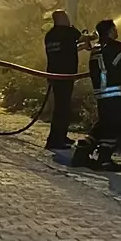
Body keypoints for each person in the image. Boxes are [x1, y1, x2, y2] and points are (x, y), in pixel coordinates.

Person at [71, 19, 121, 172]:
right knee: (114, 127)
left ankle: (82, 152)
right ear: (110, 31)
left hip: (103, 94)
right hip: (116, 93)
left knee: (103, 125)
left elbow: (111, 66)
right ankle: (104, 160)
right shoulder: (114, 46)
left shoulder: (96, 49)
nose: (117, 31)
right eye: (115, 29)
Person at [42, 10, 90, 151]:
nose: (69, 19)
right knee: (62, 108)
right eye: (67, 17)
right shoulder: (68, 31)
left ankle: (59, 136)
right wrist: (94, 35)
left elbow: (67, 49)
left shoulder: (50, 35)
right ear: (62, 19)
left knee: (60, 107)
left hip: (54, 75)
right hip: (65, 75)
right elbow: (82, 37)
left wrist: (81, 47)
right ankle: (56, 141)